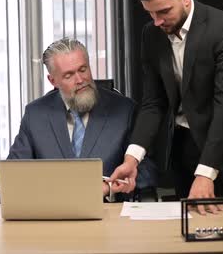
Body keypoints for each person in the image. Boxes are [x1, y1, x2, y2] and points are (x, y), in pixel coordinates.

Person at [110, 0, 223, 213]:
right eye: (150, 13)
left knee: (220, 232)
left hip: (219, 148)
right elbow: (154, 101)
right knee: (184, 229)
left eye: (163, 11)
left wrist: (205, 174)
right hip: (179, 146)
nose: (157, 21)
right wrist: (132, 157)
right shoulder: (152, 34)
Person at [8, 38, 157, 201]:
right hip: (52, 214)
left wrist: (109, 187)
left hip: (108, 214)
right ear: (53, 81)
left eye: (83, 69)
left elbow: (146, 170)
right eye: (68, 75)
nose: (80, 80)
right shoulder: (35, 114)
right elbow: (14, 174)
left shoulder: (124, 110)